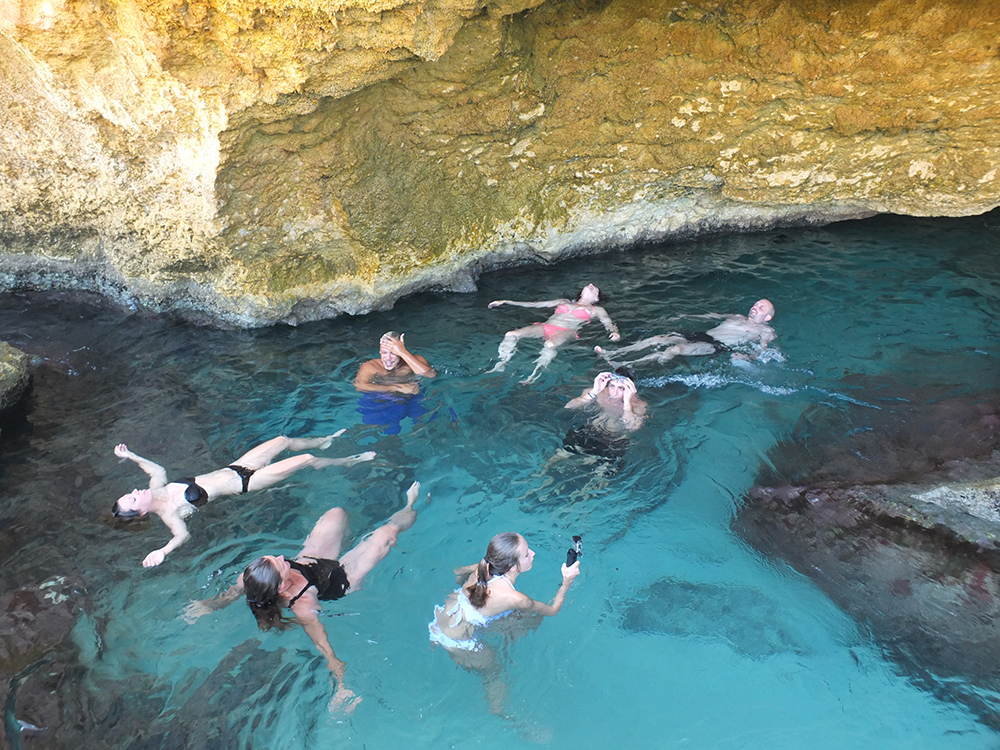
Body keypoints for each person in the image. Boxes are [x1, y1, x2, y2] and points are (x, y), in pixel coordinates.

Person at [185, 482, 422, 713]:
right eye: (279, 564)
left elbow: (234, 592)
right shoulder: (303, 603)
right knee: (386, 533)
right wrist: (342, 686)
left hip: (309, 562)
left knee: (336, 514)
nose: (280, 556)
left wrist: (209, 605)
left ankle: (349, 545)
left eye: (274, 558)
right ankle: (410, 506)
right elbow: (323, 646)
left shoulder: (253, 575)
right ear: (280, 588)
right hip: (339, 580)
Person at [112, 434, 376, 567]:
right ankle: (347, 462)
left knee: (283, 440)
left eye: (131, 493)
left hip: (237, 467)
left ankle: (321, 442)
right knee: (305, 461)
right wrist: (162, 551)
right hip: (247, 483)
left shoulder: (157, 488)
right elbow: (181, 537)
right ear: (142, 513)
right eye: (133, 499)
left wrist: (131, 456)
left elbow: (155, 470)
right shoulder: (169, 513)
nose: (135, 492)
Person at [429, 532, 580, 714]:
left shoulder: (484, 565)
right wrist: (567, 581)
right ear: (512, 566)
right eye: (526, 554)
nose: (533, 553)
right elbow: (553, 610)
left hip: (442, 617)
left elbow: (459, 572)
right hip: (457, 642)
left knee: (515, 617)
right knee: (495, 671)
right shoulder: (515, 598)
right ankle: (501, 711)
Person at [488, 283, 621, 384]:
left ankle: (534, 375)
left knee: (550, 344)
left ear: (596, 297)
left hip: (566, 332)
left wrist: (615, 333)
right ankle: (501, 364)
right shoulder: (563, 301)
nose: (591, 285)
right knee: (511, 334)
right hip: (546, 326)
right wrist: (506, 301)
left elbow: (608, 323)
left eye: (594, 287)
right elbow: (534, 305)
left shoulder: (597, 310)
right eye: (589, 285)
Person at [595, 298, 776, 368]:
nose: (755, 307)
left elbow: (763, 351)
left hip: (716, 346)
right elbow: (710, 316)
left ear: (767, 317)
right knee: (660, 338)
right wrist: (685, 315)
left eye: (761, 307)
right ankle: (613, 353)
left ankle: (626, 364)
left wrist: (746, 357)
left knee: (674, 350)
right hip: (702, 335)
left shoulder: (766, 331)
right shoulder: (736, 316)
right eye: (756, 304)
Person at [354, 331, 437, 435]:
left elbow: (430, 374)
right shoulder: (370, 367)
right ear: (379, 352)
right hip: (381, 400)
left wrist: (403, 352)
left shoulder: (414, 360)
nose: (387, 358)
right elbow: (359, 386)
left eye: (393, 353)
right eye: (384, 353)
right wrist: (396, 387)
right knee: (386, 432)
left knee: (427, 424)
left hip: (412, 397)